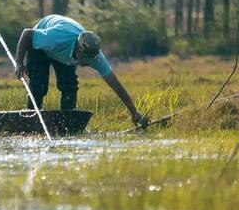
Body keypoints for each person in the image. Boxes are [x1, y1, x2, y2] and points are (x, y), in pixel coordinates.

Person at [14, 14, 149, 128]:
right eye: (84, 58)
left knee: (69, 87)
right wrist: (19, 63)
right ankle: (31, 120)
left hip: (64, 55)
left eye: (90, 59)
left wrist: (134, 112)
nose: (87, 62)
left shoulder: (95, 57)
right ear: (78, 49)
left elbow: (117, 86)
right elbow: (27, 34)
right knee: (39, 86)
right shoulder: (54, 38)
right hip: (40, 45)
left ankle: (67, 122)